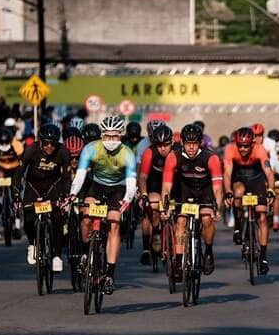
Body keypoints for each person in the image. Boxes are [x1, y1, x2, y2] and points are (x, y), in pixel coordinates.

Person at [70, 115, 137, 294]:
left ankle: (109, 274)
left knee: (114, 223)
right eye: (107, 136)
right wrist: (72, 195)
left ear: (121, 136)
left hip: (118, 188)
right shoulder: (91, 149)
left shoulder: (127, 153)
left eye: (115, 136)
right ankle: (86, 253)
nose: (111, 140)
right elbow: (80, 175)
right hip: (96, 186)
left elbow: (131, 183)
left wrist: (127, 200)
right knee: (86, 217)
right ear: (101, 135)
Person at [162, 123, 224, 276]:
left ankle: (208, 251)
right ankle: (179, 260)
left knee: (207, 219)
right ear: (182, 142)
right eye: (188, 143)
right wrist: (165, 207)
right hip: (184, 189)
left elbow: (217, 187)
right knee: (181, 222)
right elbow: (167, 186)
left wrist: (217, 208)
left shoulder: (211, 158)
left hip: (205, 190)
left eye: (194, 144)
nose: (191, 147)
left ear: (200, 143)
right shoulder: (173, 156)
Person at [18, 124, 72, 273]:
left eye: (53, 143)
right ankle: (32, 244)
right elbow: (19, 173)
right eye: (46, 143)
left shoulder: (63, 152)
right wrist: (17, 193)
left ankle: (56, 256)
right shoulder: (31, 150)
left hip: (53, 186)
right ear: (40, 142)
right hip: (33, 186)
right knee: (28, 216)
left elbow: (66, 177)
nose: (49, 147)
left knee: (57, 219)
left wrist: (65, 194)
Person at [223, 126, 275, 274]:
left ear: (252, 143)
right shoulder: (230, 149)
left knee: (262, 216)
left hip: (256, 178)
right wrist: (228, 192)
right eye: (240, 146)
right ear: (236, 143)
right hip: (238, 177)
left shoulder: (259, 150)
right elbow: (227, 173)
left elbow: (269, 172)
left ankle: (263, 257)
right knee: (238, 193)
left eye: (246, 146)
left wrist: (270, 190)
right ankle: (238, 226)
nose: (243, 149)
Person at [137, 124, 175, 266]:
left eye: (166, 145)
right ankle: (153, 238)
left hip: (173, 184)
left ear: (171, 142)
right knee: (152, 206)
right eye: (159, 145)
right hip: (154, 183)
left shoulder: (177, 151)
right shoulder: (149, 152)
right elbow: (143, 177)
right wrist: (144, 195)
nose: (162, 149)